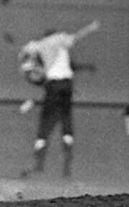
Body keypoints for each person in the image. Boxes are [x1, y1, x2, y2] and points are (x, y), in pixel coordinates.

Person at [19, 20, 101, 179]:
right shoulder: (62, 42)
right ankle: (67, 152)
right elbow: (76, 37)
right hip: (67, 84)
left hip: (54, 85)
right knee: (66, 117)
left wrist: (27, 68)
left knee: (45, 121)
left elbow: (24, 54)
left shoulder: (41, 44)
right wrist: (90, 27)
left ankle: (38, 160)